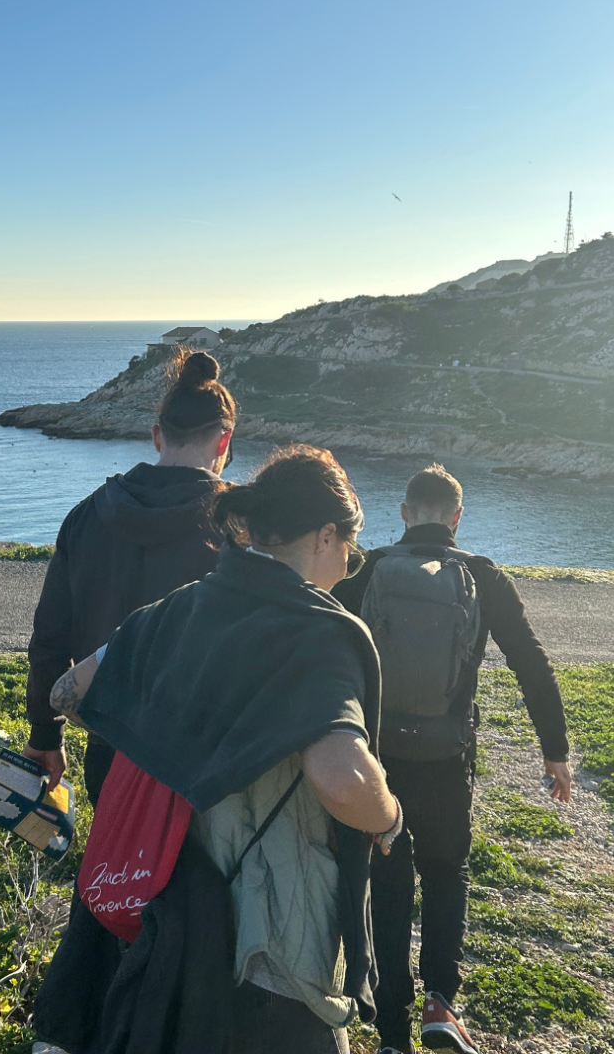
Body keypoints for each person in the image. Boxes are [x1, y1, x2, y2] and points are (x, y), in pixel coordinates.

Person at [34, 446, 403, 1054]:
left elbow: (66, 691)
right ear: (326, 534)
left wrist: (170, 734)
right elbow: (340, 778)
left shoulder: (175, 609)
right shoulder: (320, 633)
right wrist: (389, 818)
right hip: (269, 928)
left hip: (163, 896)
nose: (347, 564)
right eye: (349, 549)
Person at [333, 464, 571, 1054]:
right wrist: (555, 750)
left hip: (378, 758)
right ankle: (440, 1001)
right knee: (445, 873)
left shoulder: (367, 571)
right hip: (447, 756)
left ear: (407, 512)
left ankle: (391, 1032)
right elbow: (532, 662)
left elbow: (320, 650)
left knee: (387, 883)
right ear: (457, 519)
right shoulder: (483, 576)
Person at [23, 348, 237, 804]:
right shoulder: (240, 524)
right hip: (209, 756)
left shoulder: (85, 516)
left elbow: (49, 640)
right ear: (224, 441)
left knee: (117, 872)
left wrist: (45, 735)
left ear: (158, 436)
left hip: (110, 748)